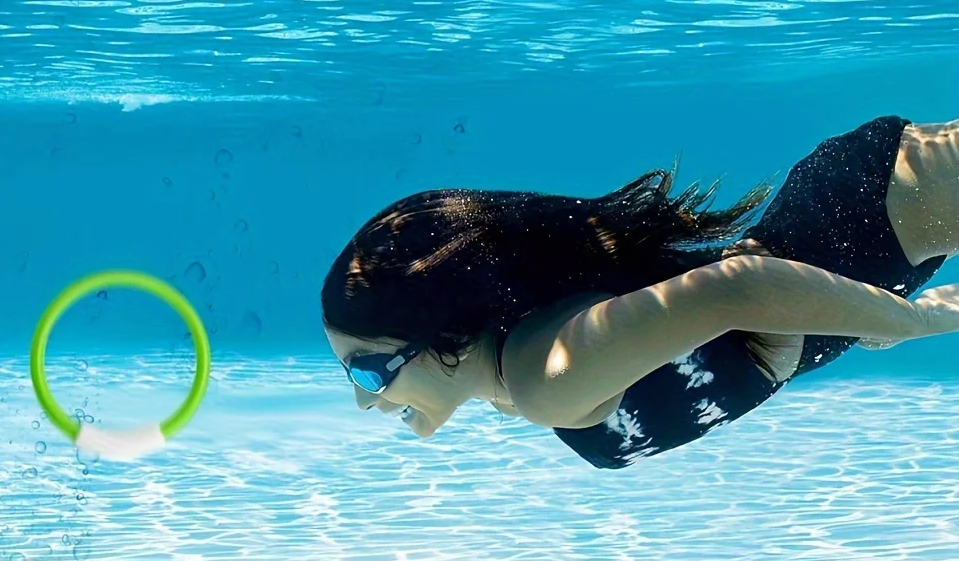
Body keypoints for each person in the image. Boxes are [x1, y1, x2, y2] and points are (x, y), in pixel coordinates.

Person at [320, 115, 959, 469]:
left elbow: (745, 284)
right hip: (862, 231)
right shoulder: (520, 373)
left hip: (872, 213)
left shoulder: (546, 378)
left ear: (442, 337)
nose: (361, 401)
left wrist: (910, 323)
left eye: (369, 373)